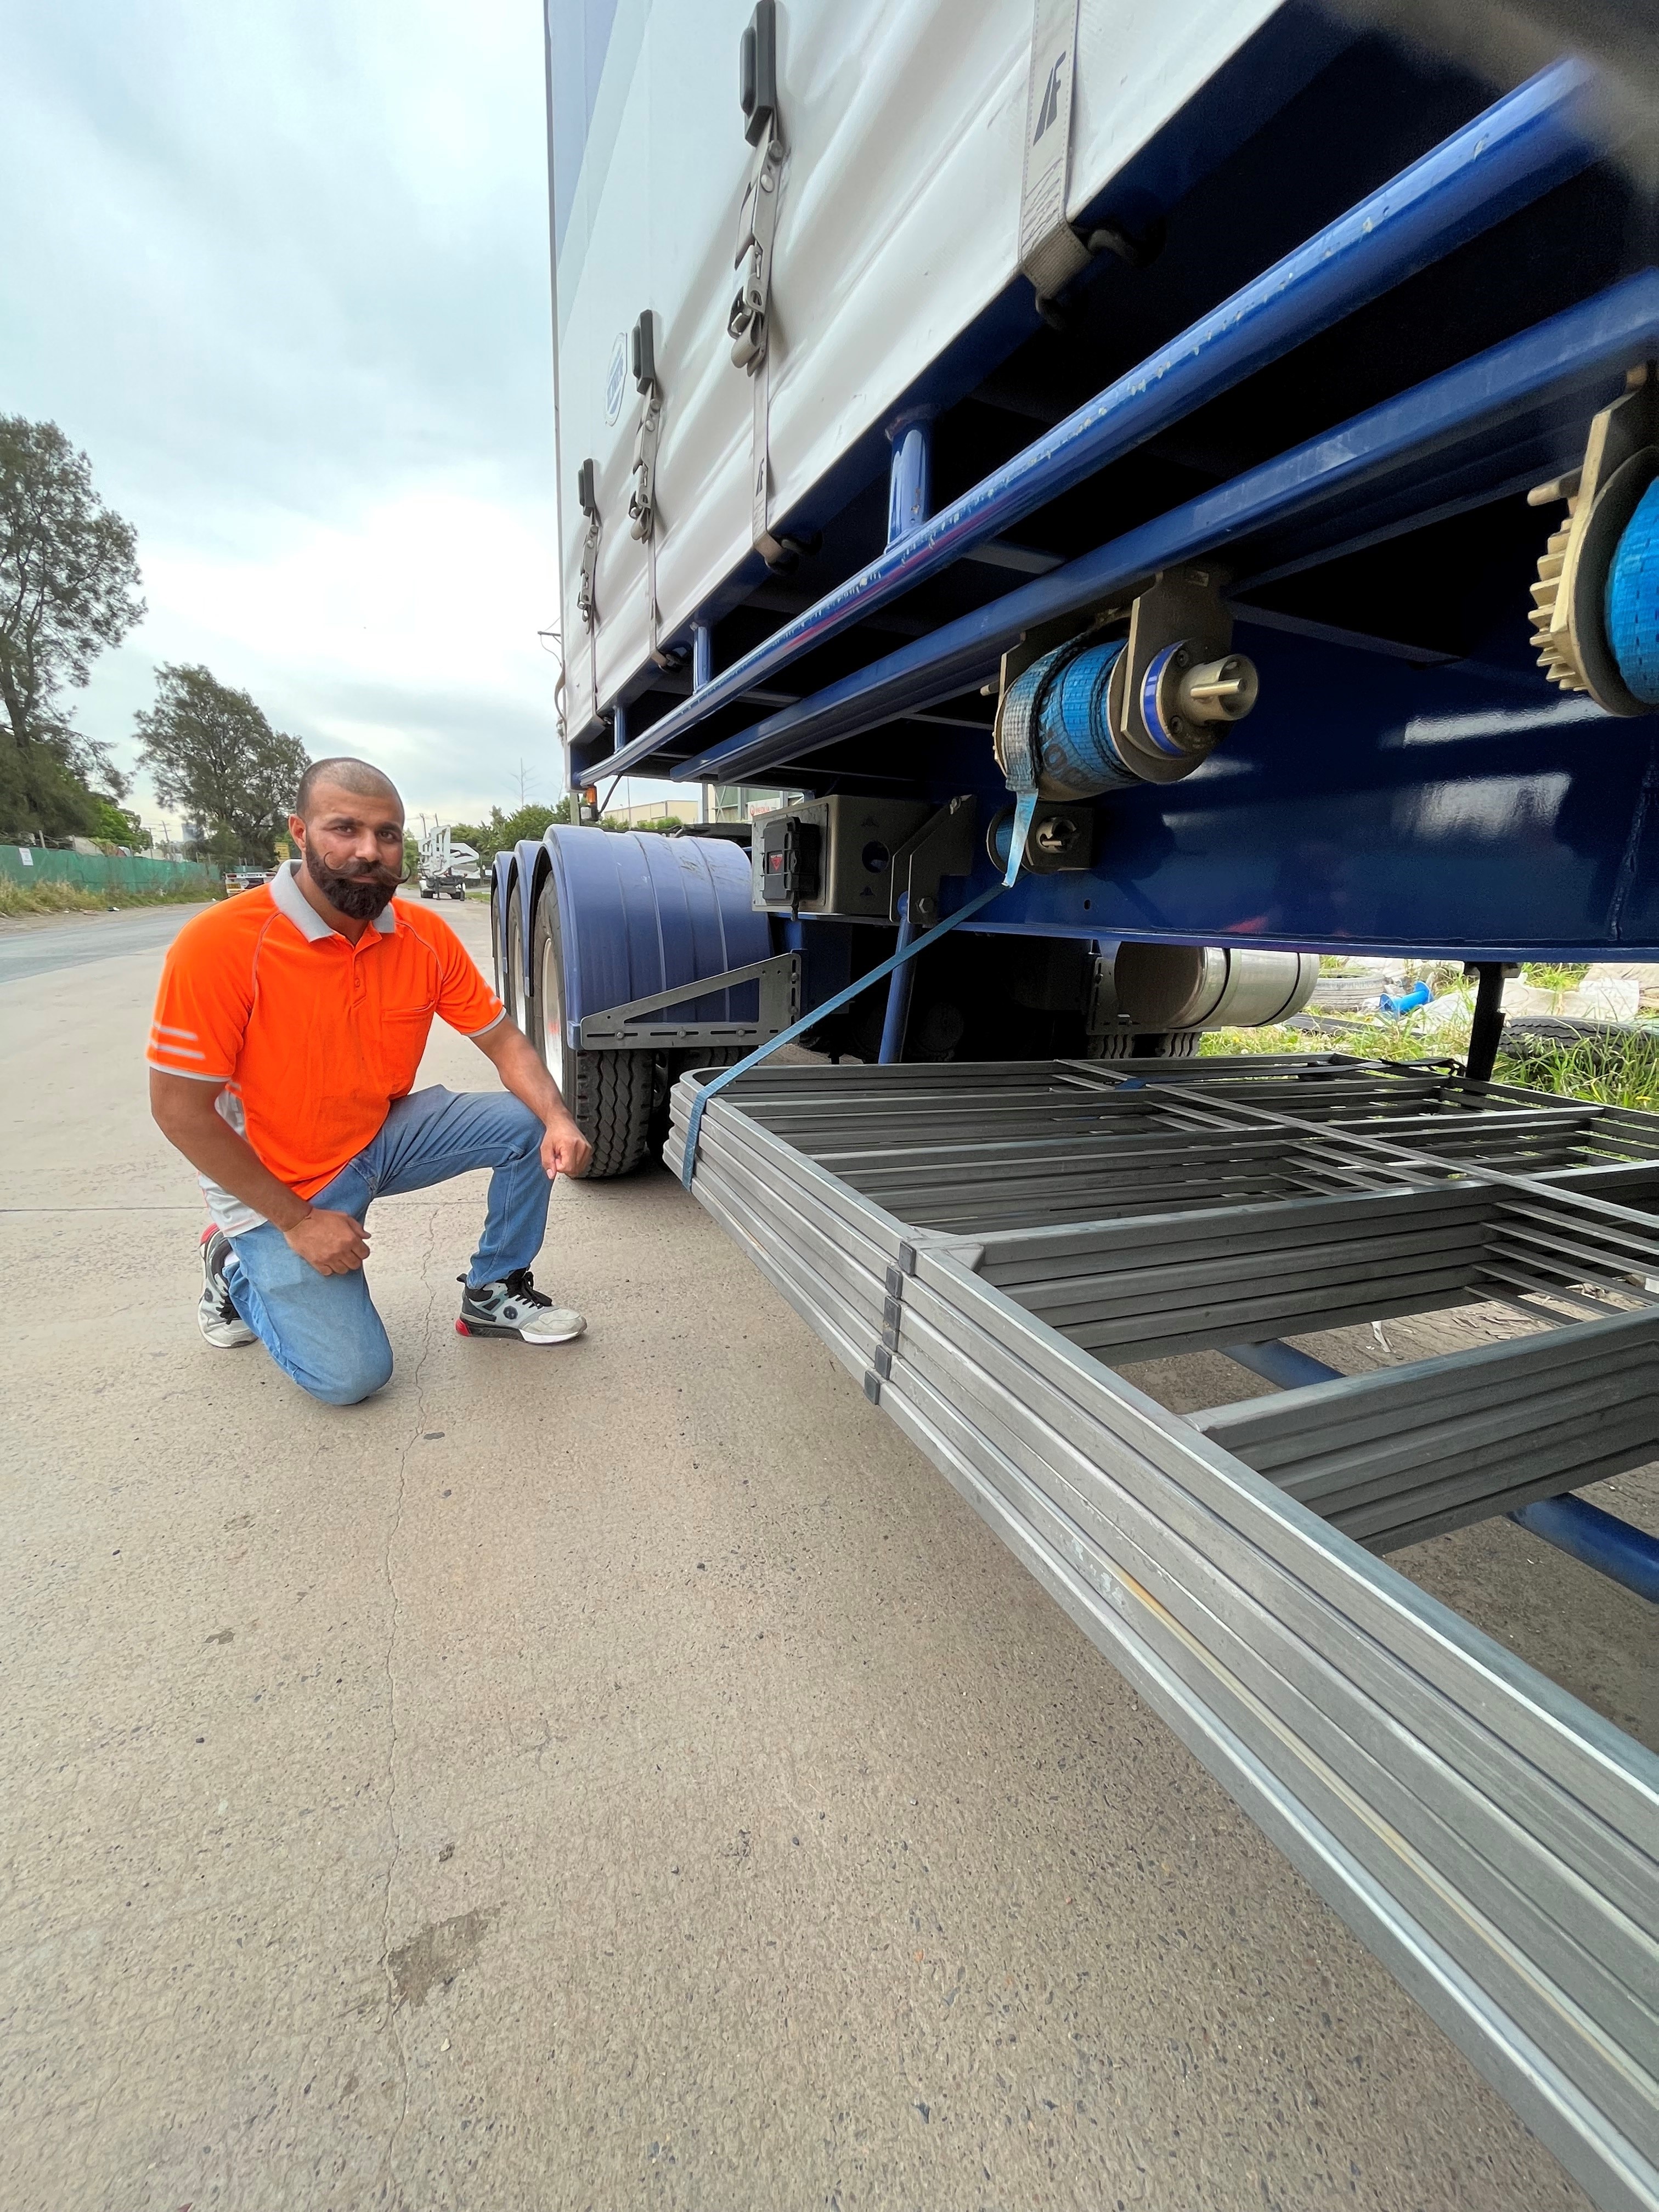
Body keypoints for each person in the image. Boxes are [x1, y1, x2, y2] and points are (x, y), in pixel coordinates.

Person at [148, 757, 593, 1406]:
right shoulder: (221, 944)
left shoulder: (424, 936)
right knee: (352, 1379)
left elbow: (503, 1041)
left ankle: (493, 1292)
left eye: (387, 834)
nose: (369, 851)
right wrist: (298, 1222)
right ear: (300, 833)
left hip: (376, 1137)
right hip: (280, 1179)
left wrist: (557, 1118)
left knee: (527, 1123)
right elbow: (178, 1111)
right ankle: (235, 1266)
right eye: (345, 829)